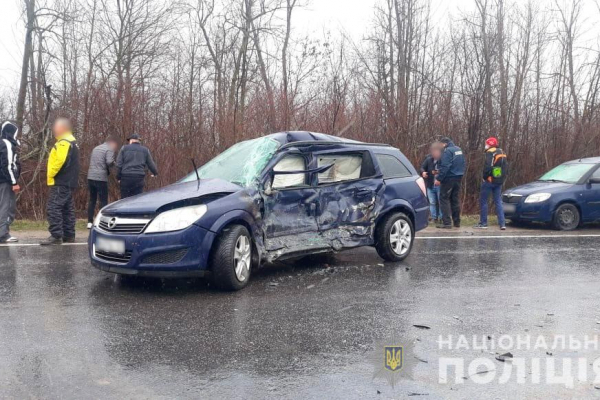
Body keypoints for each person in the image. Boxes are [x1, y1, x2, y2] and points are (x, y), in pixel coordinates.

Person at [41, 118, 80, 245]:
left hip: (60, 181)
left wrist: (51, 174)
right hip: (69, 181)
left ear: (63, 128)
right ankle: (69, 235)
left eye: (56, 127)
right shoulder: (73, 142)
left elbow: (59, 161)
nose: (54, 130)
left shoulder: (63, 142)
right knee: (67, 209)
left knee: (54, 207)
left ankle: (56, 235)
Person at [475, 137, 508, 230]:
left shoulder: (490, 152)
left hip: (490, 180)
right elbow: (505, 167)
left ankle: (483, 223)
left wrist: (485, 177)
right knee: (498, 201)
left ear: (489, 144)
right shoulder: (502, 151)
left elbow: (488, 166)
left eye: (486, 143)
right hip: (499, 180)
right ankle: (502, 224)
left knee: (483, 200)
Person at [86, 135, 118, 229]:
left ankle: (89, 222)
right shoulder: (109, 149)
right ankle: (101, 222)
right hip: (101, 178)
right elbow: (109, 162)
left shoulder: (96, 148)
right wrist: (115, 164)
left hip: (91, 177)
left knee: (92, 200)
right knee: (103, 200)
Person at [435, 137, 465, 229]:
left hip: (449, 178)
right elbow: (463, 163)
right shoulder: (458, 149)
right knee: (455, 199)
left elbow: (445, 166)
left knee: (444, 199)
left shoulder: (447, 151)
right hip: (458, 177)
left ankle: (447, 223)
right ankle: (457, 222)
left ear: (444, 144)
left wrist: (439, 179)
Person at [116, 133, 158, 198]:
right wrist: (155, 173)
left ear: (131, 140)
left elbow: (119, 164)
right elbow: (151, 163)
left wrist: (118, 177)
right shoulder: (145, 150)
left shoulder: (124, 148)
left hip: (126, 177)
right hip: (139, 178)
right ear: (139, 141)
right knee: (137, 199)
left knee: (124, 200)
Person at [0, 121, 21, 243]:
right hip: (6, 181)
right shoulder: (6, 143)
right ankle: (3, 234)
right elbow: (7, 165)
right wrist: (14, 182)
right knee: (7, 207)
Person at [420, 142, 443, 223]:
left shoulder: (443, 160)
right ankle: (434, 217)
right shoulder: (429, 160)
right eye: (432, 151)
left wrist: (437, 172)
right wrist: (423, 172)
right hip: (430, 184)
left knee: (440, 202)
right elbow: (422, 167)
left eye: (435, 151)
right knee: (432, 202)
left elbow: (445, 170)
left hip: (440, 184)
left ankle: (441, 217)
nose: (434, 153)